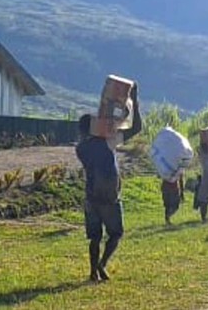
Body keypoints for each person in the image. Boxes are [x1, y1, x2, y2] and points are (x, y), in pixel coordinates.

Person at [76, 84, 141, 283]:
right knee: (116, 234)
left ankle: (93, 272)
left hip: (91, 197)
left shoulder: (81, 148)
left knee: (94, 236)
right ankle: (102, 264)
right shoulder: (108, 142)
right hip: (109, 197)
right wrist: (134, 102)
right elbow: (137, 128)